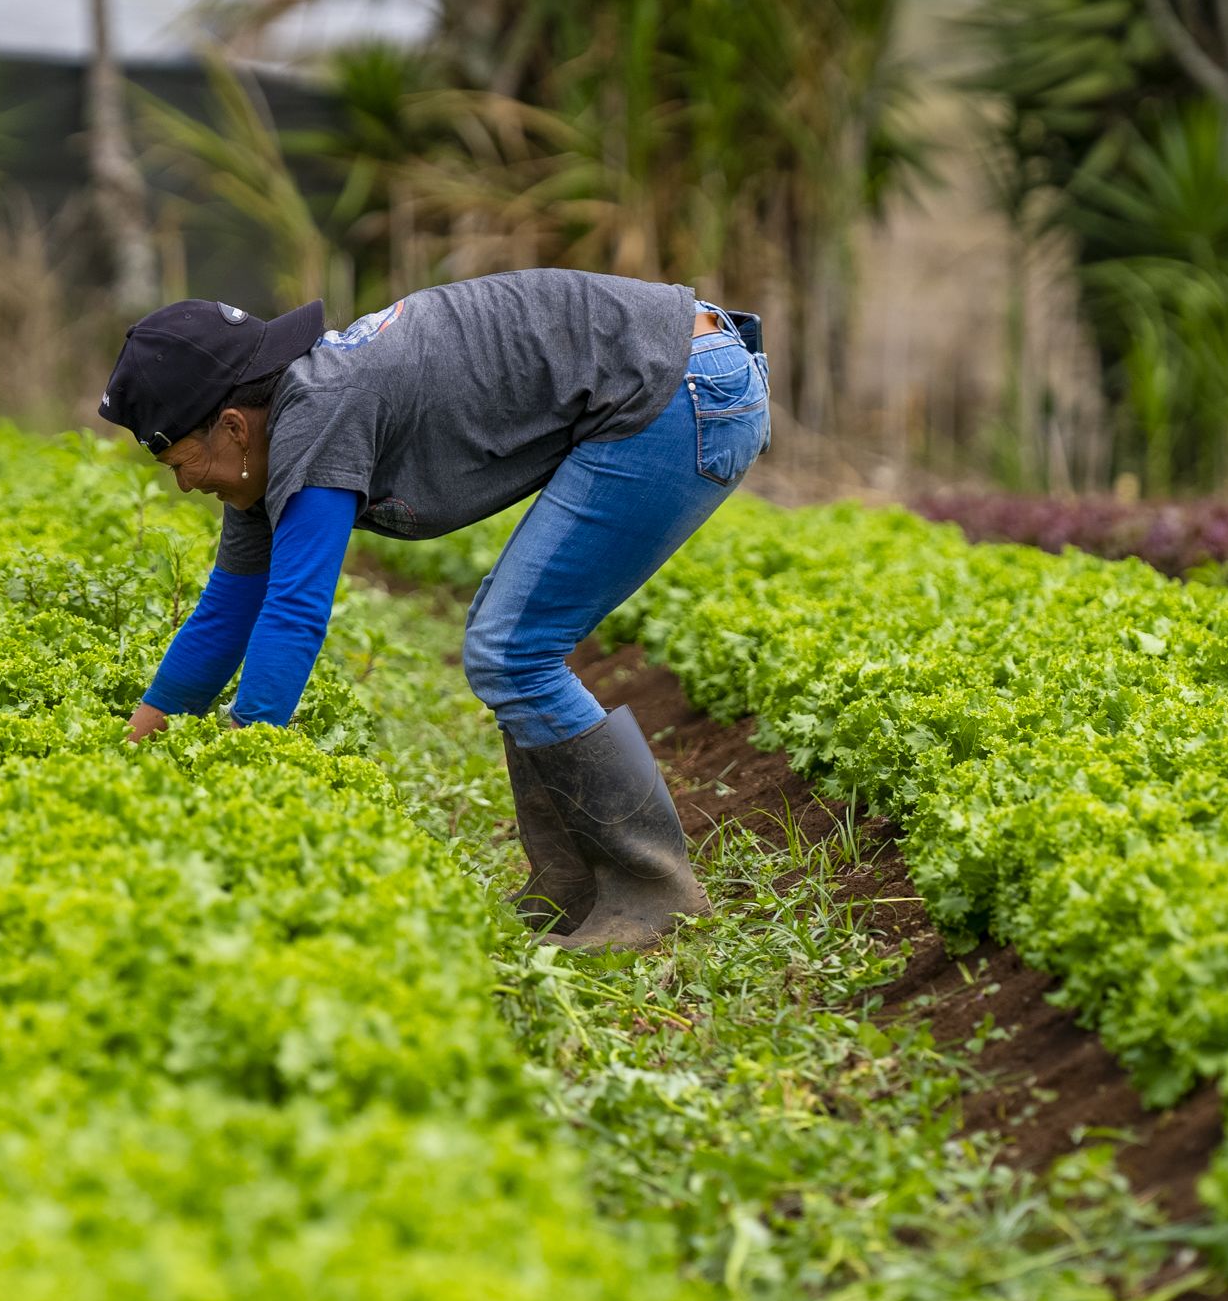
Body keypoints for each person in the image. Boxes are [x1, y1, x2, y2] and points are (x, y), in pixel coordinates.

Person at [99, 270, 770, 950]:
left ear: (234, 426)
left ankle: (656, 889)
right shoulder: (267, 452)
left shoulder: (320, 409)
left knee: (512, 647)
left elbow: (295, 613)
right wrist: (130, 757)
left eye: (183, 463)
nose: (185, 484)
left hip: (681, 388)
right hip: (670, 375)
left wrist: (240, 775)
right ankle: (571, 883)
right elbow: (224, 615)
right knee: (513, 640)